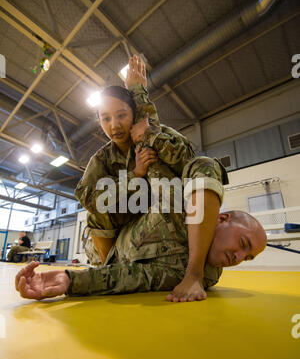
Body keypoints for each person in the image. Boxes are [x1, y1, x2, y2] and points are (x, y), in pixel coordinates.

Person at [75, 55, 195, 265]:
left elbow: (187, 160)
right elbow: (87, 198)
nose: (114, 126)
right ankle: (110, 271)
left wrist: (140, 98)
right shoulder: (102, 158)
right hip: (116, 238)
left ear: (134, 113)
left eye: (121, 115)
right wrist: (134, 176)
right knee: (97, 211)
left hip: (158, 224)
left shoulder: (157, 136)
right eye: (106, 118)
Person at [14, 208, 267, 303]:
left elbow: (138, 277)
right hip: (107, 238)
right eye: (243, 243)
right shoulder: (183, 207)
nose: (239, 257)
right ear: (221, 218)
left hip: (110, 262)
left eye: (248, 257)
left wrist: (70, 280)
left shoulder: (206, 276)